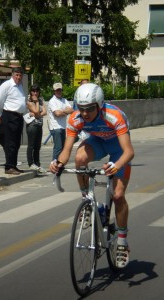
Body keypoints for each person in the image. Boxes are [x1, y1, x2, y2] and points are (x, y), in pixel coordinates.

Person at [50, 83, 134, 269]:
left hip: (119, 148)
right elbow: (66, 150)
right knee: (79, 158)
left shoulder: (114, 116)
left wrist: (116, 165)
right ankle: (88, 202)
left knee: (118, 195)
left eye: (89, 109)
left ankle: (121, 241)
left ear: (99, 104)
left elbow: (129, 152)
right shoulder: (76, 118)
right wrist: (59, 163)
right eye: (81, 108)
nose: (85, 113)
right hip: (98, 141)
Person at [0, 67, 26, 175]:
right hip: (9, 115)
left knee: (16, 143)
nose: (18, 77)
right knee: (10, 142)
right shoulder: (7, 85)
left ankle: (13, 165)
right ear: (12, 75)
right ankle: (8, 167)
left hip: (18, 116)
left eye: (20, 75)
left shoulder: (20, 86)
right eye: (16, 75)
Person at [48, 82, 73, 160]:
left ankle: (60, 164)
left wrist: (62, 111)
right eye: (57, 90)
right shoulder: (52, 101)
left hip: (63, 127)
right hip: (55, 127)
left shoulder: (64, 100)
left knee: (63, 148)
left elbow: (71, 110)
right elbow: (57, 113)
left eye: (60, 90)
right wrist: (65, 111)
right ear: (54, 91)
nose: (59, 92)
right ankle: (54, 164)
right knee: (58, 148)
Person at [26, 83, 47, 173]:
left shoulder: (41, 99)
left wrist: (36, 114)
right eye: (33, 91)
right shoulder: (29, 100)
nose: (35, 93)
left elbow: (44, 112)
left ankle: (37, 164)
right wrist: (37, 102)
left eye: (37, 91)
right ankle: (31, 164)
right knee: (31, 145)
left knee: (37, 146)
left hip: (39, 125)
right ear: (30, 92)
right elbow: (37, 111)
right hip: (32, 125)